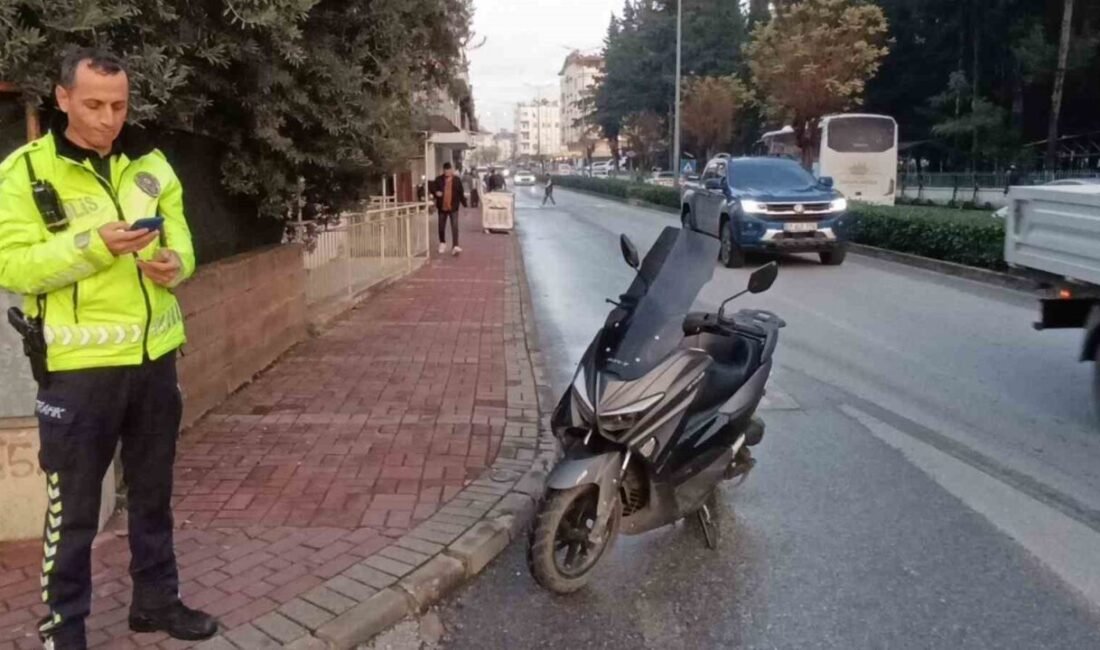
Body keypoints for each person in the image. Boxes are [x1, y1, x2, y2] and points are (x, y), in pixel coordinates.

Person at [0, 48, 217, 648]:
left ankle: (156, 602)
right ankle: (62, 629)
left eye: (118, 105)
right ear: (63, 97)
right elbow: (13, 266)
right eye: (93, 103)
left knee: (153, 493)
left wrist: (178, 264)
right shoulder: (25, 173)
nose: (108, 118)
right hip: (79, 370)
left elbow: (184, 240)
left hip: (153, 361)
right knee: (72, 511)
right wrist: (94, 246)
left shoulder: (150, 165)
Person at [433, 162, 466, 255]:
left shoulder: (457, 180)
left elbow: (461, 193)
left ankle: (455, 245)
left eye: (449, 170)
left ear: (452, 170)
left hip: (453, 207)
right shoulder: (439, 179)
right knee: (441, 226)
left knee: (455, 227)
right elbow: (433, 188)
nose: (447, 172)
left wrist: (465, 205)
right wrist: (436, 192)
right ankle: (442, 243)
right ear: (443, 171)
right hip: (442, 207)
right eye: (445, 170)